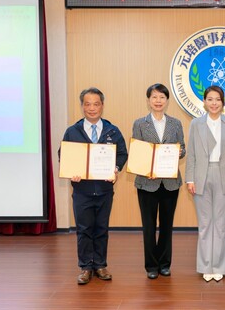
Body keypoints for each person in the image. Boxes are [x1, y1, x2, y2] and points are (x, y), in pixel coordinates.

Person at [60, 87, 128, 285]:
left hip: (105, 190)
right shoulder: (72, 131)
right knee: (84, 229)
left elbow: (122, 154)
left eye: (96, 104)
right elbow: (63, 155)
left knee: (101, 228)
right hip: (82, 191)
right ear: (82, 106)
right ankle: (85, 268)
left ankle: (100, 265)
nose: (92, 108)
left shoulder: (112, 130)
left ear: (102, 105)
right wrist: (71, 169)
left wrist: (115, 168)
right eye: (87, 104)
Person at [185, 85, 225, 282]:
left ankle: (219, 266)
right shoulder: (196, 124)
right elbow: (191, 153)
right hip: (201, 176)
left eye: (217, 99)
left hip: (224, 175)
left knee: (221, 224)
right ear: (204, 101)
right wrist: (190, 179)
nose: (214, 103)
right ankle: (205, 266)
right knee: (205, 224)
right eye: (210, 99)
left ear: (222, 102)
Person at [132, 83, 186, 280]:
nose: (158, 101)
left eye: (162, 97)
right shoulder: (139, 123)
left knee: (166, 225)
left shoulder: (176, 123)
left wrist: (179, 152)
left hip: (170, 182)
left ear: (167, 101)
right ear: (148, 100)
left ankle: (164, 264)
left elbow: (183, 149)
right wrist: (148, 169)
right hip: (147, 182)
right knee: (148, 225)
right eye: (154, 97)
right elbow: (137, 152)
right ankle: (151, 266)